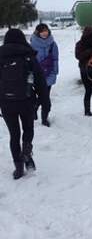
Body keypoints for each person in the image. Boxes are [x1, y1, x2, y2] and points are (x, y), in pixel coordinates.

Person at [0, 29, 49, 179]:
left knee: (14, 135)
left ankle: (18, 167)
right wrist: (44, 100)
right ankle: (27, 149)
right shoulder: (29, 55)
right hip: (27, 100)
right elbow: (40, 80)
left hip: (6, 102)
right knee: (28, 129)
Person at [30, 23, 58, 127]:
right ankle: (35, 108)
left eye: (46, 30)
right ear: (38, 32)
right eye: (42, 31)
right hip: (37, 75)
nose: (44, 33)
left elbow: (55, 59)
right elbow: (29, 61)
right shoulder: (32, 45)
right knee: (42, 96)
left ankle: (44, 118)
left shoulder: (52, 44)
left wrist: (55, 72)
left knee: (45, 97)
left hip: (49, 74)